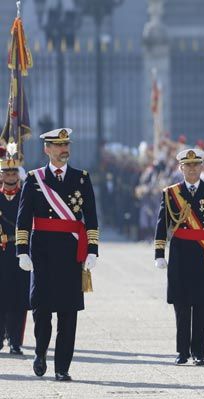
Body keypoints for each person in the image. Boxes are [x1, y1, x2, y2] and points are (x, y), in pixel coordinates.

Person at [16, 128, 99, 381]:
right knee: (41, 309)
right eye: (59, 145)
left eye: (67, 145)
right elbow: (23, 219)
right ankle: (40, 352)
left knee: (68, 312)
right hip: (42, 254)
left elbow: (92, 218)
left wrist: (93, 250)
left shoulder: (81, 179)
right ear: (47, 149)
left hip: (71, 253)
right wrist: (22, 251)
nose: (65, 149)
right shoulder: (34, 179)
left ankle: (62, 367)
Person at [154, 148, 204, 366]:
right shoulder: (171, 193)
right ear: (181, 168)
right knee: (181, 305)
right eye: (187, 166)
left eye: (196, 165)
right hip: (180, 253)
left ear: (202, 167)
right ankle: (182, 352)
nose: (192, 169)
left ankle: (200, 352)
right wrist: (159, 253)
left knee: (202, 305)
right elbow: (162, 225)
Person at [0, 145, 29, 355]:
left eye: (13, 172)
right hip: (0, 252)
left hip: (19, 251)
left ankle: (16, 340)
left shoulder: (25, 197)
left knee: (18, 298)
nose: (10, 176)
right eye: (6, 172)